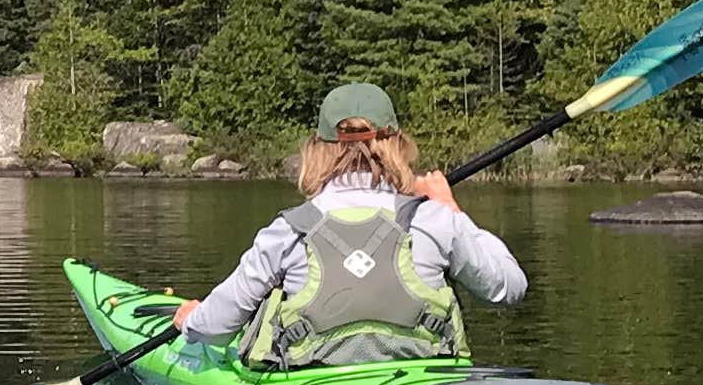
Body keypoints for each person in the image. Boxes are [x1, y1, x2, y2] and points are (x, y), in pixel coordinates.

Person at [173, 81, 526, 369]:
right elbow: (509, 287)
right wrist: (452, 208)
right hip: (426, 384)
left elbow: (215, 330)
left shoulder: (290, 231)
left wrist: (189, 320)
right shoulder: (435, 219)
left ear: (319, 149)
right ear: (397, 146)